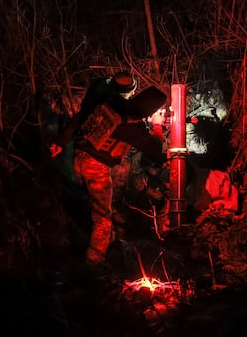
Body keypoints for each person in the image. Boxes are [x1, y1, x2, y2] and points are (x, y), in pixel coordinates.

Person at [49, 71, 167, 268]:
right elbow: (154, 151)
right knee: (102, 216)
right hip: (96, 167)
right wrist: (157, 127)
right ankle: (94, 262)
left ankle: (109, 243)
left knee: (94, 205)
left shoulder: (110, 104)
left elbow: (79, 118)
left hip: (79, 158)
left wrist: (60, 142)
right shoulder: (133, 125)